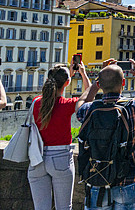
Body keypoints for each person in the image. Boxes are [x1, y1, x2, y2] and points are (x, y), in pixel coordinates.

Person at [76, 59, 135, 210]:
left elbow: (81, 101)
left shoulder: (89, 110)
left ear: (100, 84)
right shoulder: (134, 107)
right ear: (123, 82)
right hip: (128, 181)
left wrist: (96, 82)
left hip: (97, 179)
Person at [27, 62, 90, 210]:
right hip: (60, 158)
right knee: (63, 207)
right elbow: (88, 98)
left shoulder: (36, 102)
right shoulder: (67, 104)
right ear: (67, 83)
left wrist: (66, 77)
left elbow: (52, 95)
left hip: (37, 158)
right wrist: (83, 74)